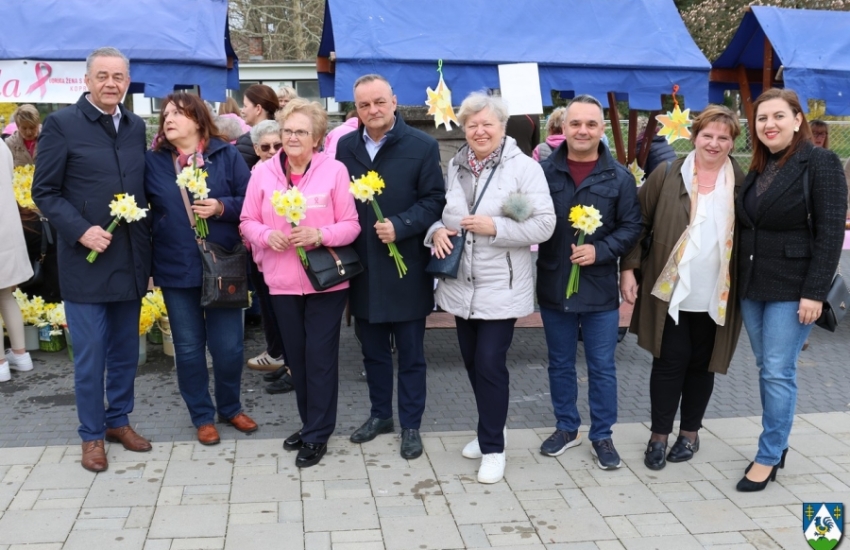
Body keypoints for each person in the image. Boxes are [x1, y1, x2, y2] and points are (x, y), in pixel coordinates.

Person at [32, 47, 153, 472]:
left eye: (118, 76)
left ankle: (118, 420)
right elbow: (44, 191)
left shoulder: (136, 126)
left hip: (130, 259)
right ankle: (91, 435)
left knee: (124, 353)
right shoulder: (61, 125)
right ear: (86, 80)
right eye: (102, 75)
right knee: (90, 355)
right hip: (86, 262)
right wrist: (81, 228)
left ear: (127, 81)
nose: (111, 83)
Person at [426, 93, 555, 483]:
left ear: (502, 127)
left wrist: (496, 227)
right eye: (472, 124)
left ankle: (494, 448)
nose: (479, 131)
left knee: (489, 364)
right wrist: (435, 232)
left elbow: (544, 226)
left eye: (487, 124)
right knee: (471, 362)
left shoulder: (524, 169)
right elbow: (443, 215)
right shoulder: (456, 164)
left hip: (502, 287)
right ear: (463, 128)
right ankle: (488, 433)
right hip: (460, 286)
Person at [619, 106, 745, 471]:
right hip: (670, 290)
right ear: (694, 136)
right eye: (708, 135)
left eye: (723, 137)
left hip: (718, 292)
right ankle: (658, 436)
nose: (714, 143)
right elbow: (637, 223)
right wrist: (629, 269)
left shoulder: (742, 179)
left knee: (702, 364)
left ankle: (689, 434)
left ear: (732, 142)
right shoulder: (667, 174)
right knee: (669, 361)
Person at [734, 88, 846, 492]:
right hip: (753, 285)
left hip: (795, 287)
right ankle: (777, 442)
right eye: (763, 118)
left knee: (779, 371)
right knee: (768, 369)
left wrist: (814, 292)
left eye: (779, 116)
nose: (770, 125)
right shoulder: (761, 166)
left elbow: (831, 232)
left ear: (798, 119)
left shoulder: (820, 162)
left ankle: (768, 455)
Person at [240, 99, 360, 468]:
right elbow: (246, 221)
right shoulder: (262, 173)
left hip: (326, 284)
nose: (292, 138)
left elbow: (352, 225)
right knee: (296, 360)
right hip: (282, 281)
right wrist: (264, 235)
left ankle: (318, 433)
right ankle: (311, 424)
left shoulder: (335, 171)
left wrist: (319, 234)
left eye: (301, 132)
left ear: (317, 138)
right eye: (287, 131)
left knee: (319, 359)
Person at [336, 74, 446, 459]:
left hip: (407, 267)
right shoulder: (345, 148)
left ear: (394, 102)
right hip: (363, 268)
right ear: (357, 109)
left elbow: (435, 200)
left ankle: (411, 424)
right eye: (364, 105)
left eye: (379, 102)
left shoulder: (422, 145)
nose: (373, 110)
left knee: (412, 354)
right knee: (373, 352)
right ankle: (380, 414)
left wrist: (402, 226)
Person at [144, 91, 255, 446]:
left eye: (178, 113)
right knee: (189, 349)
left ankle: (231, 407)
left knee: (229, 348)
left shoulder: (226, 154)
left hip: (222, 263)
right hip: (177, 267)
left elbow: (252, 201)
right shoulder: (154, 162)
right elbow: (145, 212)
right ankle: (202, 416)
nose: (169, 120)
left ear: (197, 119)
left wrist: (222, 207)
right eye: (166, 115)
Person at [536, 94, 641, 469]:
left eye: (591, 124)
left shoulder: (619, 177)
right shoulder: (543, 173)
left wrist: (602, 251)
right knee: (560, 363)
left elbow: (633, 227)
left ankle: (602, 435)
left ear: (602, 129)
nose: (583, 130)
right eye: (576, 123)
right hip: (554, 285)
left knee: (601, 366)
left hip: (598, 288)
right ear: (563, 128)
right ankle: (566, 426)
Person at [0, 139, 34, 382]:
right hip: (8, 227)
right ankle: (21, 355)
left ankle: (1, 363)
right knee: (5, 294)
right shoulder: (2, 146)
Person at [236, 84, 279, 170]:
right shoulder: (283, 134)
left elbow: (241, 174)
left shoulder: (248, 140)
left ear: (258, 109)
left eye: (245, 106)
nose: (242, 110)